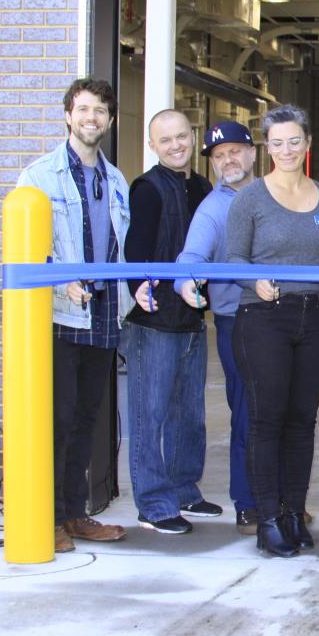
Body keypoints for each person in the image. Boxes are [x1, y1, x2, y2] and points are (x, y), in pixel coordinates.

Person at [16, 77, 131, 553]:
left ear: (109, 119)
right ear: (68, 115)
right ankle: (46, 519)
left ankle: (75, 514)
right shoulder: (40, 176)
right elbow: (26, 248)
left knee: (87, 419)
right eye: (83, 109)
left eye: (100, 111)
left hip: (103, 313)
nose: (91, 118)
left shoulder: (116, 179)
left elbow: (120, 250)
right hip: (62, 316)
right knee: (58, 420)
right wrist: (58, 278)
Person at [226, 104, 319, 557]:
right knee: (267, 418)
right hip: (263, 319)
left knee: (302, 420)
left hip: (313, 319)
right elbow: (231, 259)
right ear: (266, 147)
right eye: (278, 143)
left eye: (295, 141)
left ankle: (294, 510)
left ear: (307, 143)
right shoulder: (250, 199)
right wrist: (253, 279)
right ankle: (268, 518)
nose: (287, 149)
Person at [122, 110, 218, 535]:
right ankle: (154, 502)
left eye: (182, 136)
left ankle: (183, 490)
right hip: (155, 320)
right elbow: (135, 249)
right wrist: (138, 287)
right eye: (166, 140)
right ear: (153, 145)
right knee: (151, 414)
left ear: (192, 136)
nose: (176, 145)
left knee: (189, 413)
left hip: (192, 318)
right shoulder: (146, 188)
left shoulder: (201, 187)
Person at [175, 120, 259, 533]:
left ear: (252, 152)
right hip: (237, 322)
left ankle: (277, 498)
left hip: (286, 320)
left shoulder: (275, 193)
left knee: (284, 414)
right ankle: (247, 504)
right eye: (218, 155)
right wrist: (185, 280)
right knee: (247, 413)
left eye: (235, 151)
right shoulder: (213, 208)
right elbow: (192, 256)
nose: (228, 160)